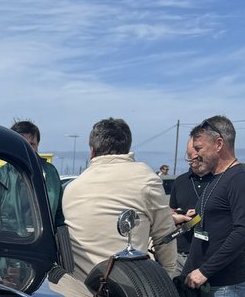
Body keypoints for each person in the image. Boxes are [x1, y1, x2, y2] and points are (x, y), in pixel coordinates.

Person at [62, 118, 177, 279]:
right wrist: (168, 276)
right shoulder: (145, 178)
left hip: (77, 286)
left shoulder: (72, 188)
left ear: (92, 151)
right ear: (127, 148)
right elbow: (165, 236)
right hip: (127, 286)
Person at [181, 115, 245, 297]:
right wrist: (185, 221)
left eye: (199, 148)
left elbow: (243, 232)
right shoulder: (216, 178)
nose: (195, 155)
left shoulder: (240, 179)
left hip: (223, 286)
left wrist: (205, 271)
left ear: (219, 144)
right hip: (203, 283)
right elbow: (212, 221)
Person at [168, 139, 213, 274]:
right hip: (180, 252)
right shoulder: (180, 181)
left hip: (209, 253)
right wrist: (179, 217)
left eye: (198, 156)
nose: (193, 159)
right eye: (190, 156)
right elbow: (170, 212)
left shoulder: (220, 180)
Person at [9, 120, 63, 222]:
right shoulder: (1, 176)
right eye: (22, 143)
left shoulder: (50, 173)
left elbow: (59, 214)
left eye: (31, 144)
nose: (27, 148)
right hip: (10, 232)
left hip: (45, 232)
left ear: (37, 145)